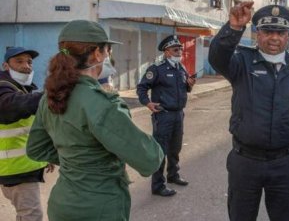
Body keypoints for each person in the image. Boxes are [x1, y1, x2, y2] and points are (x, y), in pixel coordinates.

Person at [26, 20, 164, 220]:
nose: (109, 56)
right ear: (97, 54)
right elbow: (150, 159)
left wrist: (76, 160)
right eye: (108, 50)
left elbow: (35, 149)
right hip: (98, 208)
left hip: (62, 204)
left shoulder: (51, 96)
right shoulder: (101, 103)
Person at [209, 2, 289, 221]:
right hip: (245, 162)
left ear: (288, 35)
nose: (274, 38)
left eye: (281, 32)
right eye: (268, 32)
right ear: (257, 34)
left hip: (284, 164)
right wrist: (234, 27)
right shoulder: (242, 62)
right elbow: (217, 58)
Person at [137, 35, 196, 197]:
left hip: (178, 114)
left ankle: (173, 175)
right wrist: (148, 103)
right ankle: (157, 185)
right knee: (160, 150)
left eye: (180, 49)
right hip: (163, 115)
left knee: (175, 148)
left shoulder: (181, 68)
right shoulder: (157, 68)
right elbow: (142, 87)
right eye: (176, 50)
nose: (179, 52)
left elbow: (184, 89)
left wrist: (189, 86)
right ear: (167, 52)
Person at [0, 47, 54, 221]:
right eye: (19, 61)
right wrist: (48, 95)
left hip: (21, 166)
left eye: (29, 62)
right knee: (31, 215)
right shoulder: (4, 88)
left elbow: (29, 130)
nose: (26, 66)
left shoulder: (22, 89)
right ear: (5, 66)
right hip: (14, 169)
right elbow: (10, 108)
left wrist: (45, 156)